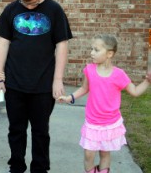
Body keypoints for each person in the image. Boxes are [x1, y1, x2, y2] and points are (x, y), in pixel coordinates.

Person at [0, 0, 73, 173]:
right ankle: (17, 167)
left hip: (44, 85)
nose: (29, 6)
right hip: (14, 83)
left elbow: (62, 45)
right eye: (24, 3)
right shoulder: (11, 9)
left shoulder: (54, 10)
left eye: (33, 3)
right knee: (16, 130)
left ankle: (40, 168)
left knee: (40, 131)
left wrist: (57, 80)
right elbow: (3, 43)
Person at [57, 34, 151, 173]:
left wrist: (147, 81)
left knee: (105, 153)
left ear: (109, 54)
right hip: (93, 122)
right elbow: (84, 88)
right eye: (92, 49)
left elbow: (135, 92)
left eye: (96, 50)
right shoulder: (89, 70)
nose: (91, 53)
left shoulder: (119, 74)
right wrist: (69, 97)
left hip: (110, 123)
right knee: (89, 154)